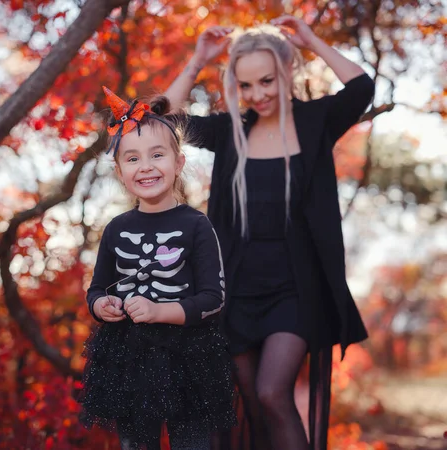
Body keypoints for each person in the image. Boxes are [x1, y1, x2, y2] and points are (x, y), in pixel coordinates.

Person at [164, 15, 375, 450]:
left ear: (286, 73)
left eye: (266, 81)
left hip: (296, 290)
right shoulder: (230, 132)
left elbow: (362, 88)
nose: (257, 94)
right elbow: (163, 122)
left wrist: (313, 40)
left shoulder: (316, 121)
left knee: (271, 393)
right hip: (235, 289)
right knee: (252, 407)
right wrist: (198, 59)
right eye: (245, 86)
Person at [77, 86, 236, 450]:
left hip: (189, 354)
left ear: (178, 163)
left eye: (157, 155)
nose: (146, 166)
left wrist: (160, 310)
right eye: (132, 159)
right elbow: (98, 288)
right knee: (135, 443)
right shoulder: (116, 228)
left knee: (191, 442)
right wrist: (101, 306)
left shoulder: (197, 225)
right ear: (119, 171)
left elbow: (214, 298)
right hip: (130, 354)